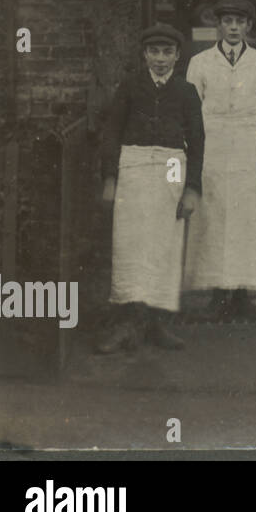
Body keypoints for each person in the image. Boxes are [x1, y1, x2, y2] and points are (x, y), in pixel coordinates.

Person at [96, 23, 205, 353]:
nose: (160, 59)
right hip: (134, 164)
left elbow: (198, 142)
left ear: (177, 55)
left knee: (164, 239)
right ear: (144, 55)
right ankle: (127, 322)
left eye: (167, 52)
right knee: (130, 241)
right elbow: (112, 132)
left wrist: (191, 189)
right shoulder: (130, 87)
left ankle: (156, 323)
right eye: (154, 52)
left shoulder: (186, 92)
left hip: (172, 165)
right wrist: (111, 178)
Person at [184, 0, 256, 322]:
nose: (234, 27)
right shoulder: (200, 63)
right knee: (211, 221)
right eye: (228, 21)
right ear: (219, 25)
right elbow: (189, 114)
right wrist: (190, 158)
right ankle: (217, 293)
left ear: (249, 26)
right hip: (211, 152)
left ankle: (242, 294)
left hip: (248, 155)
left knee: (246, 223)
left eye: (240, 21)